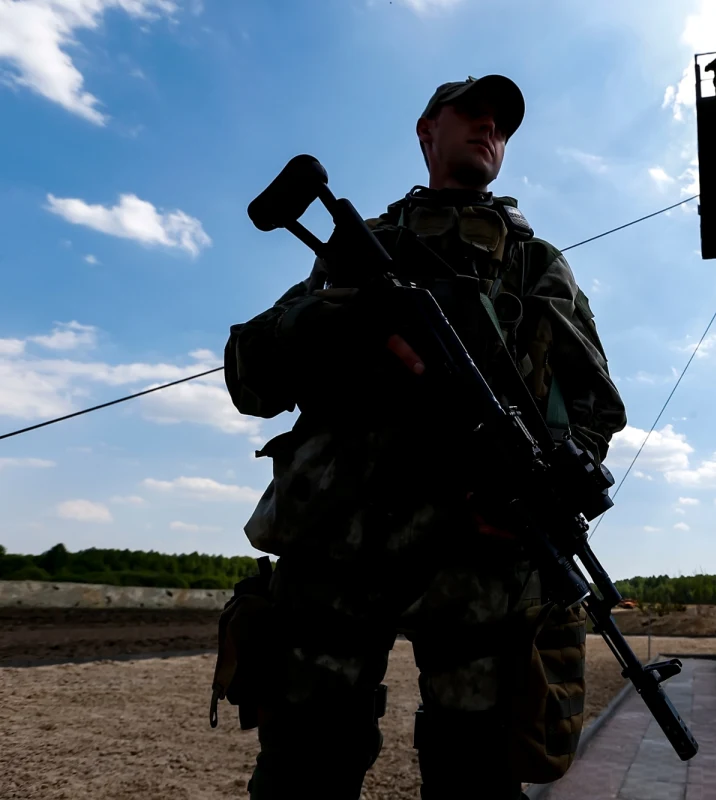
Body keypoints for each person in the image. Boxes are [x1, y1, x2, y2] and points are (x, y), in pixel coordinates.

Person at [219, 74, 627, 799]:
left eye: (501, 122)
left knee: (475, 772)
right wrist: (341, 325)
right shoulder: (356, 247)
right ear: (425, 130)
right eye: (471, 112)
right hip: (338, 543)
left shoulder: (537, 264)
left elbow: (595, 403)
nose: (489, 127)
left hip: (479, 555)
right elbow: (251, 378)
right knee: (305, 765)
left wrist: (546, 486)